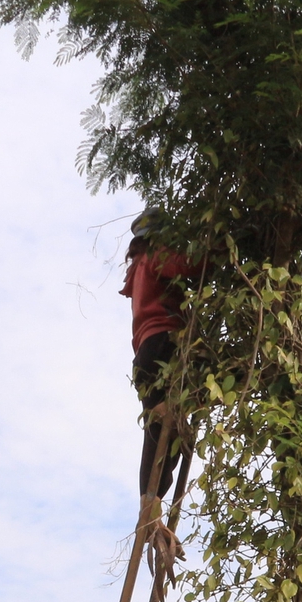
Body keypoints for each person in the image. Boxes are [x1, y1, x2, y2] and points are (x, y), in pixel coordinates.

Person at [121, 208, 195, 517]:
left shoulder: (137, 268)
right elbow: (190, 266)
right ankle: (152, 505)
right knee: (169, 427)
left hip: (144, 358)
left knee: (160, 432)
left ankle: (151, 504)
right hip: (163, 343)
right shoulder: (156, 256)